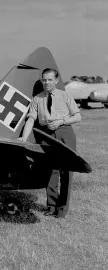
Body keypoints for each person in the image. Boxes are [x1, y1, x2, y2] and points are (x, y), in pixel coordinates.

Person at [19, 68, 81, 218]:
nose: (46, 82)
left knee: (66, 171)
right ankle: (52, 206)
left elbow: (77, 116)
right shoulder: (37, 99)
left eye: (50, 80)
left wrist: (61, 121)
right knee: (51, 170)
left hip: (65, 132)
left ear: (56, 80)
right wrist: (24, 138)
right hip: (47, 135)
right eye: (44, 80)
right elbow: (31, 119)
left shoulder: (65, 96)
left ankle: (62, 209)